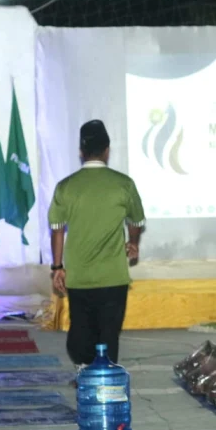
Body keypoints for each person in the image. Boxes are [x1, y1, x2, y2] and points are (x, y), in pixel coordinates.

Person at [49, 120, 145, 367]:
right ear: (107, 150)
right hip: (113, 276)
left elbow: (57, 230)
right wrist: (133, 242)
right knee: (109, 332)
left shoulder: (66, 187)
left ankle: (85, 371)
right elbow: (136, 220)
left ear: (81, 151)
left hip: (80, 276)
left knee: (81, 328)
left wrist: (57, 267)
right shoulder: (124, 184)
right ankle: (106, 375)